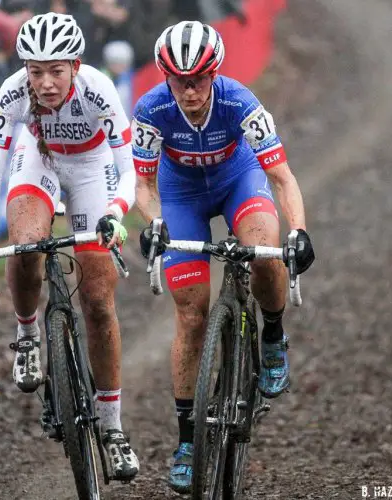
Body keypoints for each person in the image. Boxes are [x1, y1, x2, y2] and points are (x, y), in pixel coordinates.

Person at [131, 21, 316, 493]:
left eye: (198, 80)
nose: (189, 91)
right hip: (181, 193)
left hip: (239, 181)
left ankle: (272, 333)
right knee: (191, 315)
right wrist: (155, 224)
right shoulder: (151, 111)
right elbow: (144, 186)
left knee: (264, 250)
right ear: (164, 77)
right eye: (178, 81)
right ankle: (189, 442)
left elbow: (282, 178)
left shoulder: (240, 103)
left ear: (214, 74)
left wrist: (299, 232)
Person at [0, 13, 139, 480]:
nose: (43, 83)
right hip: (38, 159)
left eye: (55, 70)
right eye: (34, 70)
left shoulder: (99, 90)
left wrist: (114, 215)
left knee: (99, 301)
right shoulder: (13, 91)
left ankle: (112, 426)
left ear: (76, 65)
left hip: (92, 168)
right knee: (24, 247)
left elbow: (129, 172)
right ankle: (27, 336)